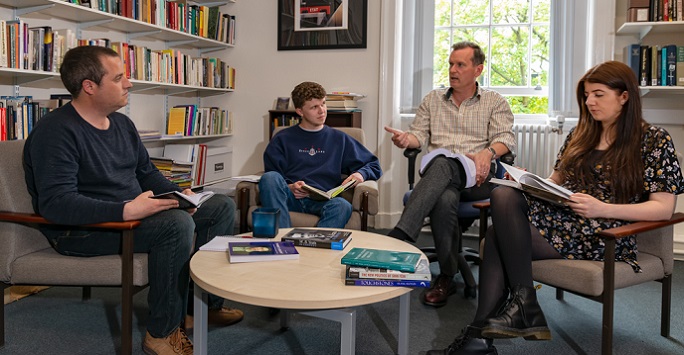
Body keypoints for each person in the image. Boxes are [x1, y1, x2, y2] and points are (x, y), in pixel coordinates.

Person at [427, 60, 684, 355]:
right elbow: (554, 182)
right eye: (586, 95)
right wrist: (527, 182)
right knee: (504, 194)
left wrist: (601, 208)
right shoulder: (581, 136)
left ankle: (487, 334)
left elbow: (663, 209)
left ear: (624, 97)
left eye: (599, 94)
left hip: (607, 232)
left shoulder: (654, 140)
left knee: (497, 235)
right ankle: (520, 307)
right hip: (565, 221)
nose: (590, 102)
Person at [23, 45, 243, 355]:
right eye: (119, 78)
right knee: (175, 224)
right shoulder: (56, 131)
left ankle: (201, 306)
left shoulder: (122, 124)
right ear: (89, 86)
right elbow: (56, 203)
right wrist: (125, 210)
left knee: (220, 206)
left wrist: (180, 194)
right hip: (82, 230)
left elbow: (146, 173)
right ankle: (162, 333)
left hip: (129, 216)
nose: (129, 84)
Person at [386, 41, 516, 307]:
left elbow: (506, 139)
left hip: (478, 178)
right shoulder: (433, 99)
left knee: (444, 164)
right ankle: (446, 276)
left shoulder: (494, 101)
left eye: (460, 65)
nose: (453, 70)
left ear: (478, 69)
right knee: (444, 191)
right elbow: (418, 136)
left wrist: (488, 152)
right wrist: (405, 140)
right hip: (441, 178)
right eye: (450, 64)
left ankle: (402, 234)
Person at [259, 81, 382, 228]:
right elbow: (274, 175)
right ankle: (282, 242)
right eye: (314, 107)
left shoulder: (339, 139)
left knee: (342, 206)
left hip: (323, 200)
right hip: (290, 197)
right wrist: (290, 186)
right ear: (299, 111)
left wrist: (360, 174)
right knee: (269, 178)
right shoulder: (282, 138)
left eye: (323, 104)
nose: (322, 111)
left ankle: (315, 243)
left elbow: (373, 164)